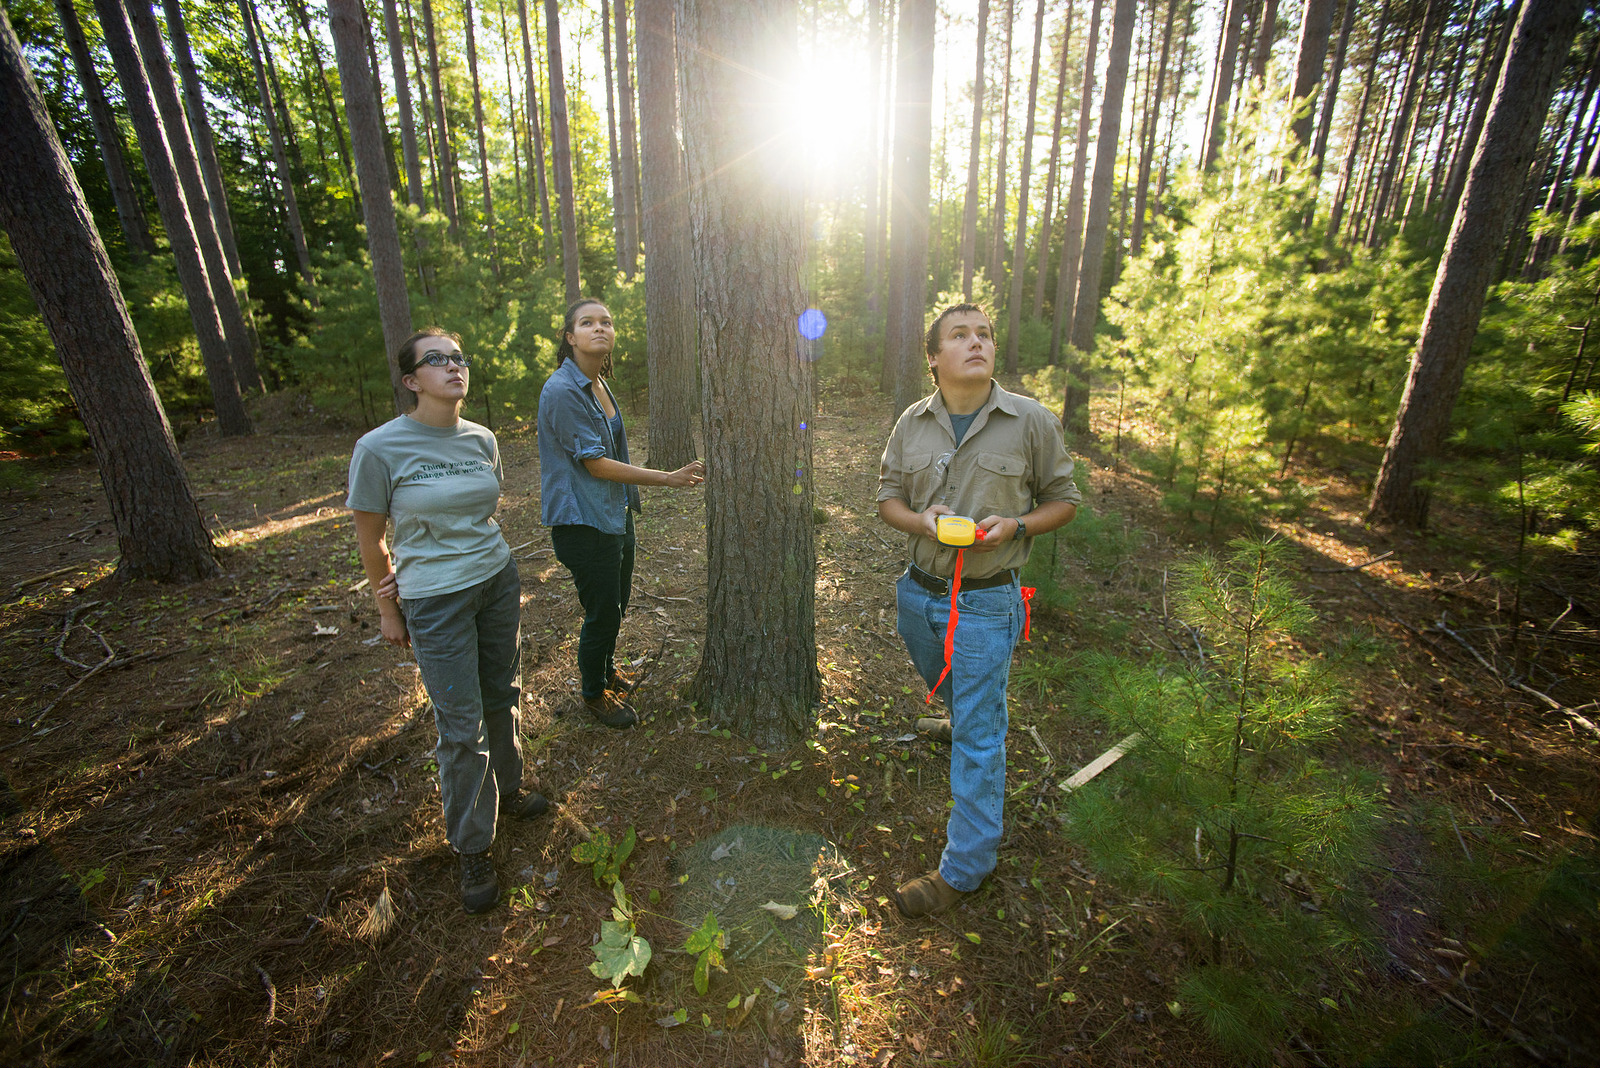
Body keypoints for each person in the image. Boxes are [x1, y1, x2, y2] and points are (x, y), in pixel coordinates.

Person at [877, 302, 1081, 918]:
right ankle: (960, 713)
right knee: (952, 690)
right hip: (918, 594)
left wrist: (1015, 524)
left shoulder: (1030, 421)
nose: (976, 343)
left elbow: (1064, 501)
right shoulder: (911, 423)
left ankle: (965, 869)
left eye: (985, 334)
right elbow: (887, 496)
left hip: (988, 601)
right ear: (934, 358)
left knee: (981, 739)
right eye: (959, 336)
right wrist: (922, 521)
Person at [348, 327, 547, 916]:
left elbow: (483, 513)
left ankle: (508, 790)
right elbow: (370, 538)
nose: (452, 367)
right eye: (435, 360)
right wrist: (388, 608)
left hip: (495, 581)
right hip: (434, 601)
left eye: (458, 357)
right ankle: (472, 844)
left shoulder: (482, 438)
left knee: (503, 692)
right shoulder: (379, 449)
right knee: (460, 726)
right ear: (411, 381)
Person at [538, 299, 704, 728]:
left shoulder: (598, 384)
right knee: (602, 611)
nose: (599, 329)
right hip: (583, 522)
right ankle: (594, 694)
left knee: (618, 602)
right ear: (570, 338)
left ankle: (606, 670)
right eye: (587, 323)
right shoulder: (562, 390)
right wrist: (668, 478)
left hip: (613, 514)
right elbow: (595, 464)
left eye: (606, 322)